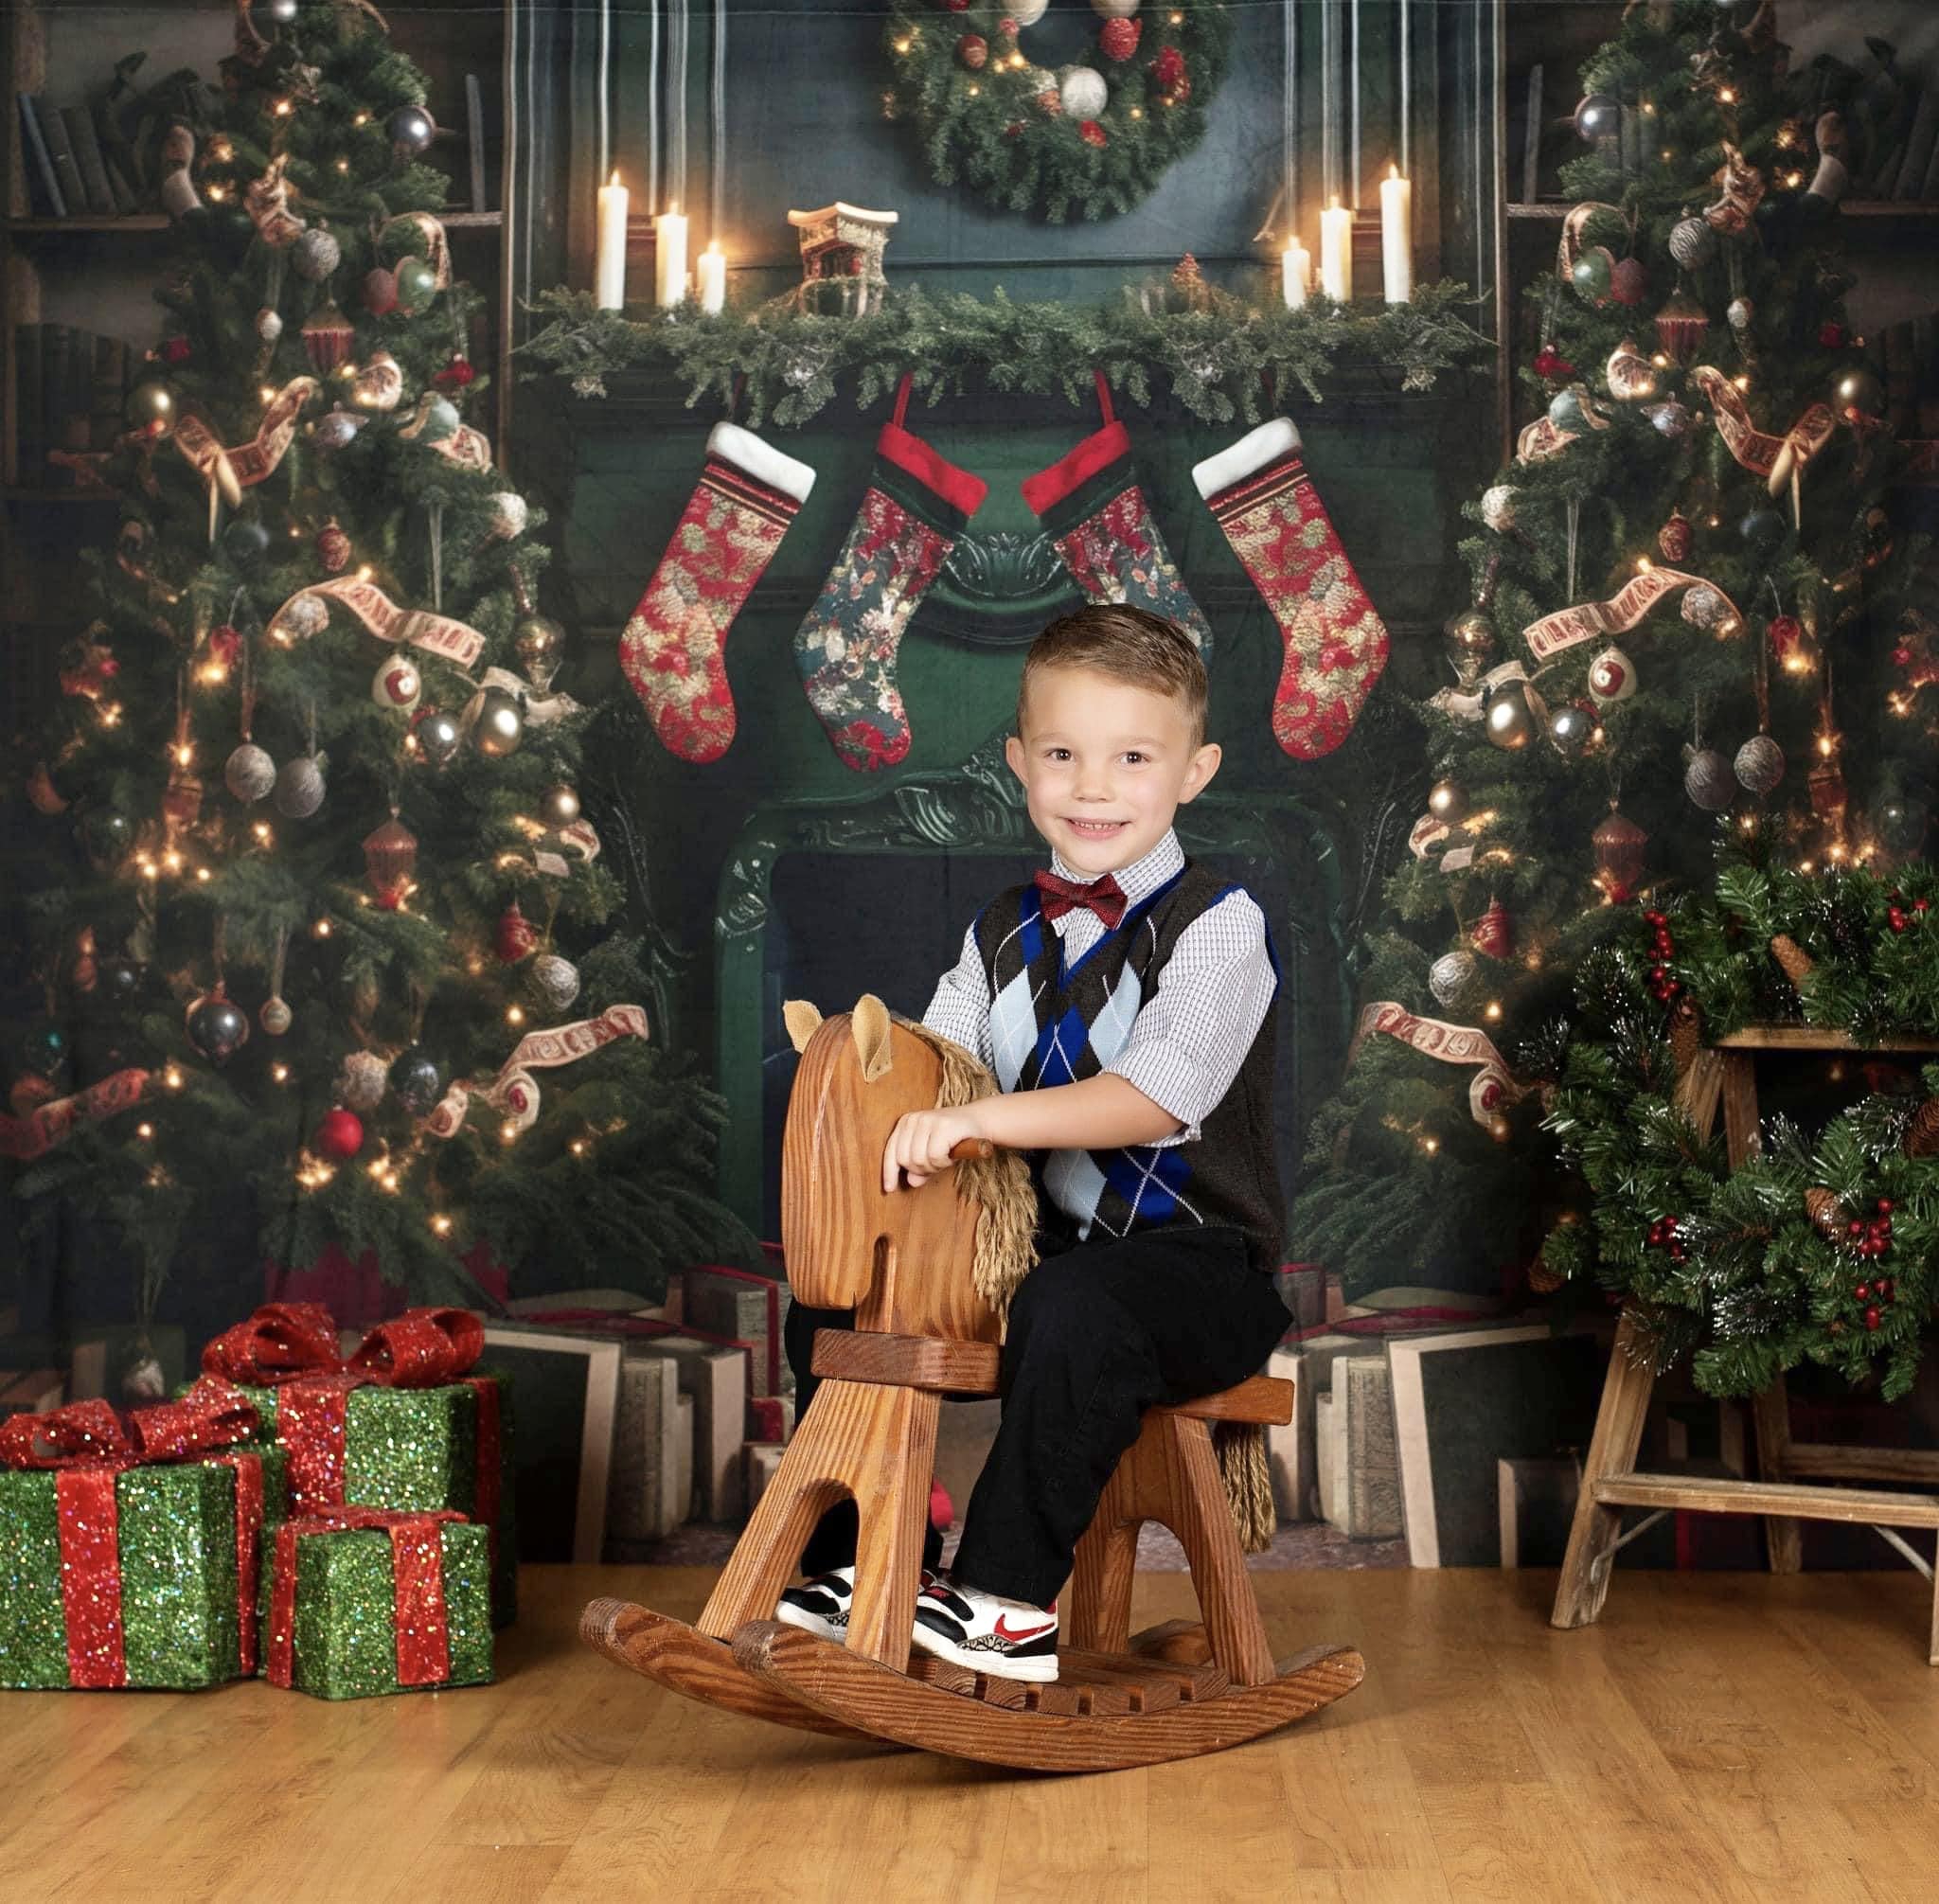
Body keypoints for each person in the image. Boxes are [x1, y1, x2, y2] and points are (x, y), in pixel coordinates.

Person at [776, 603, 1290, 1682]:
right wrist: (868, 1089)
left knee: (1077, 1304)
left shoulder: (1218, 923)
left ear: (1194, 772)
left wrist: (976, 1121)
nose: (1093, 787)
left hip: (1198, 1269)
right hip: (1040, 1260)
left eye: (1132, 758)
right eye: (1062, 755)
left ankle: (1004, 1599)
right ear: (1019, 762)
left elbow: (1155, 1095)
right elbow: (939, 1064)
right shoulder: (998, 930)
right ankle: (864, 1561)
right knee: (835, 1297)